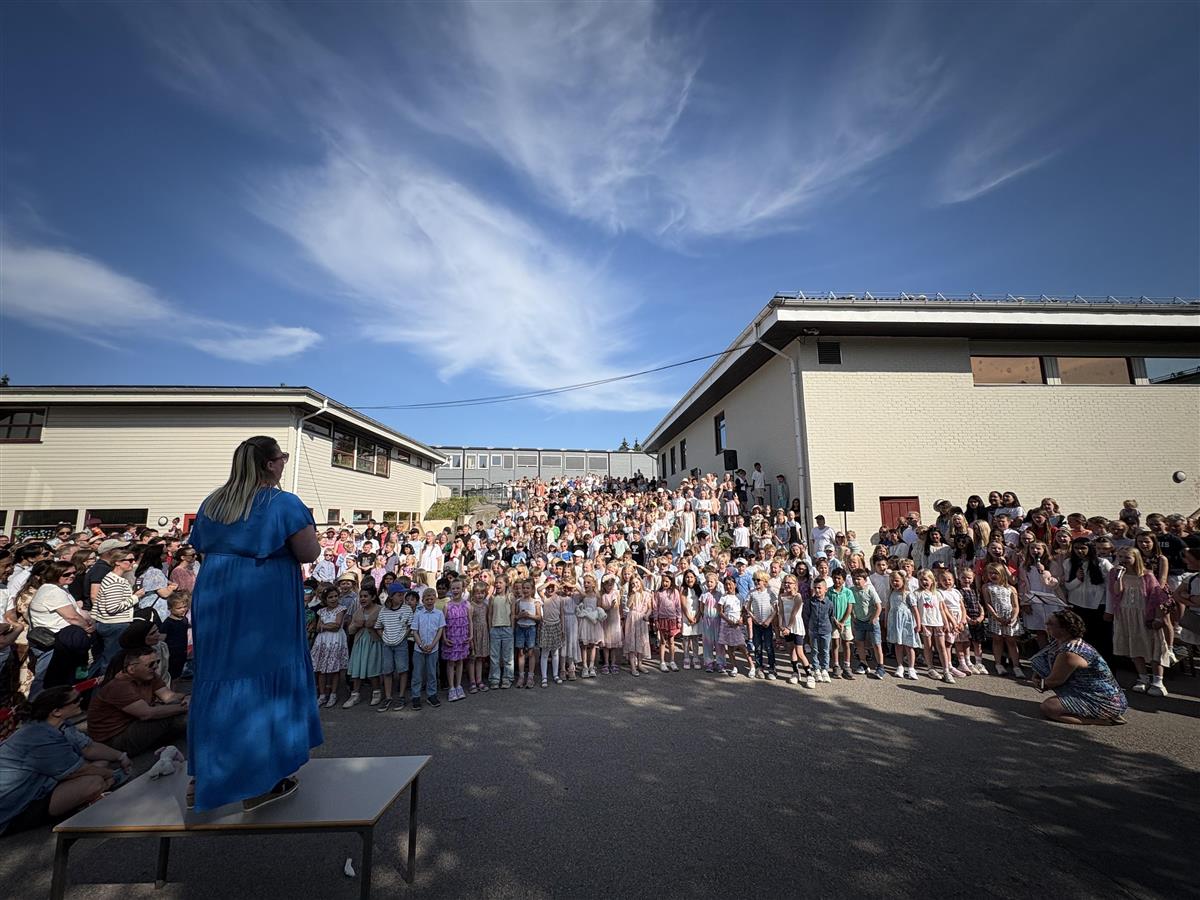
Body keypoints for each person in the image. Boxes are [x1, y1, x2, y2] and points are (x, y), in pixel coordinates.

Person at [186, 435, 322, 812]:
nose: (284, 464)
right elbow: (308, 552)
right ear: (269, 464)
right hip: (263, 595)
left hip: (217, 592)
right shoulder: (283, 503)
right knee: (263, 681)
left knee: (216, 678)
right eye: (281, 458)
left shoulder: (213, 502)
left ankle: (204, 776)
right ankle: (262, 780)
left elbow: (200, 546)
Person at [0, 686, 131, 836]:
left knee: (101, 763)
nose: (81, 700)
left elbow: (89, 748)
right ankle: (88, 798)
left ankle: (88, 796)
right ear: (56, 711)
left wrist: (121, 756)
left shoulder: (58, 726)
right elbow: (79, 771)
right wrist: (112, 774)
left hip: (38, 787)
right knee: (94, 782)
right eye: (75, 700)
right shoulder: (40, 737)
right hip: (14, 806)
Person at [86, 646, 188, 757]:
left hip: (132, 725)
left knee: (176, 709)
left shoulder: (150, 676)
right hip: (113, 739)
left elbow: (169, 697)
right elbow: (146, 714)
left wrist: (187, 698)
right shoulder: (120, 686)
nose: (155, 667)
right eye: (150, 664)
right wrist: (184, 707)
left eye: (157, 662)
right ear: (131, 669)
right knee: (171, 715)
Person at [1029, 610, 1128, 725]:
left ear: (1064, 629)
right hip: (1088, 693)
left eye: (1050, 623)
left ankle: (1099, 721)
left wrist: (1038, 683)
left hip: (1106, 702)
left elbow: (1054, 681)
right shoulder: (1060, 642)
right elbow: (1044, 660)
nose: (1046, 625)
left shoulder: (1071, 652)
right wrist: (1037, 674)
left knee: (1049, 707)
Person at [1107, 548, 1171, 697]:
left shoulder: (1147, 575)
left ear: (1136, 558)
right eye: (1120, 556)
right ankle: (1142, 677)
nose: (1123, 559)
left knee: (1153, 645)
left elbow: (1157, 598)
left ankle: (1158, 680)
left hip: (1144, 613)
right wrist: (1118, 576)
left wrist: (1157, 618)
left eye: (1127, 557)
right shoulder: (1115, 573)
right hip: (1125, 614)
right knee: (1133, 644)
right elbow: (1116, 592)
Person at [410, 588, 445, 709]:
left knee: (432, 673)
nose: (429, 601)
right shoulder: (418, 614)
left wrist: (433, 644)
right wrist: (420, 645)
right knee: (417, 674)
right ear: (423, 600)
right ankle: (416, 696)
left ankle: (432, 695)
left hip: (433, 649)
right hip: (419, 649)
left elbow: (440, 630)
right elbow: (414, 631)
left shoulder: (439, 614)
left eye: (432, 598)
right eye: (427, 599)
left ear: (435, 599)